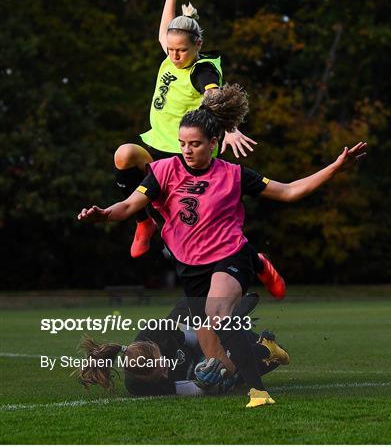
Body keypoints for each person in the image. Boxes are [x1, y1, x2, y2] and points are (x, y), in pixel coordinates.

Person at [78, 84, 367, 407]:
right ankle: (260, 348)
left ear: (214, 143)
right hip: (191, 268)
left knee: (217, 315)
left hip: (229, 255)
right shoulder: (162, 172)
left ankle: (258, 393)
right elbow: (130, 205)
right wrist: (105, 215)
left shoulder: (234, 174)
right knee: (213, 335)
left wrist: (334, 168)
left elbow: (289, 192)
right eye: (182, 143)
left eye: (195, 144)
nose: (187, 150)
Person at [114, 0, 256, 259]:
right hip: (156, 147)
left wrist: (230, 127)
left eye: (180, 50)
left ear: (198, 45)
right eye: (170, 49)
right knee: (124, 155)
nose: (174, 55)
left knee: (198, 234)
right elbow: (166, 29)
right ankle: (144, 223)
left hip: (185, 157)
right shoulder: (171, 54)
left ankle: (256, 262)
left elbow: (214, 95)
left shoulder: (201, 69)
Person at [74, 294, 290, 397]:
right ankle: (246, 337)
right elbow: (193, 389)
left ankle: (227, 313)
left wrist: (213, 355)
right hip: (199, 366)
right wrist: (205, 383)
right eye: (161, 372)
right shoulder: (139, 387)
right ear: (144, 378)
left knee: (198, 303)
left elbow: (201, 337)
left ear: (155, 347)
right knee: (248, 368)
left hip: (194, 327)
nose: (167, 370)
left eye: (163, 362)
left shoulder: (156, 331)